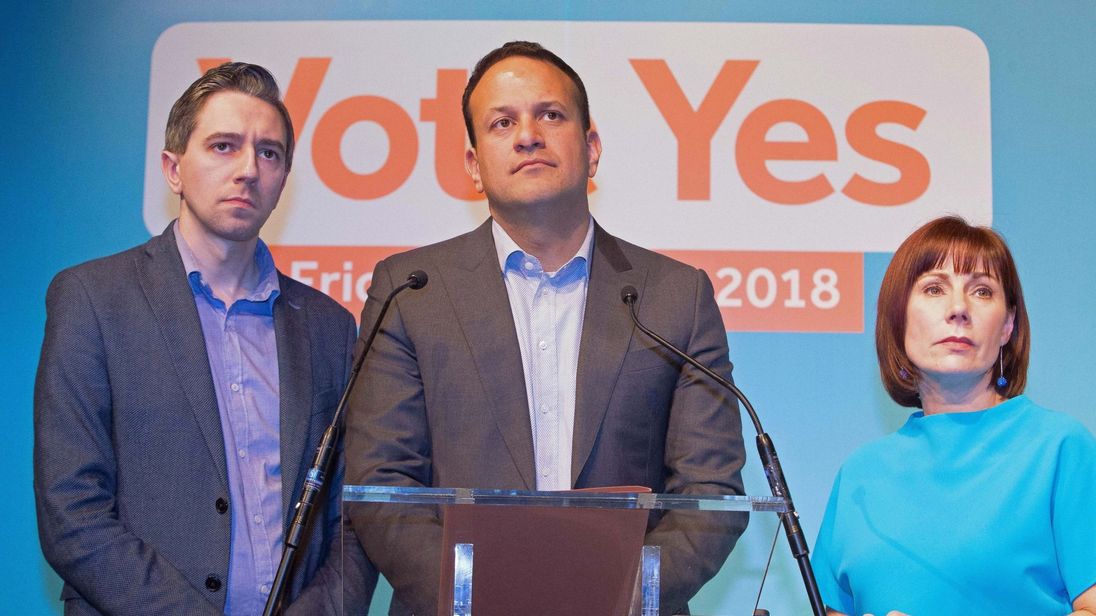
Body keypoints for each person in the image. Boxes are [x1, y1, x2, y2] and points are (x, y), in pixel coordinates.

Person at [345, 41, 747, 616]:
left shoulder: (675, 296)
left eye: (550, 115)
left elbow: (710, 494)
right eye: (502, 122)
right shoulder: (411, 291)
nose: (527, 134)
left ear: (592, 148)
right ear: (473, 165)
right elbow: (384, 484)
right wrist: (480, 593)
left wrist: (622, 592)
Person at [34, 62, 375, 615]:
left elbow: (351, 518)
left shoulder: (329, 327)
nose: (247, 169)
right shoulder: (92, 299)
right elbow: (72, 510)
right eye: (223, 146)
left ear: (284, 177)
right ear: (173, 168)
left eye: (269, 153)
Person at [811, 216, 1096, 616]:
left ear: (1008, 326)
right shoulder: (860, 473)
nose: (959, 309)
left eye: (981, 291)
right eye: (933, 288)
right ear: (898, 319)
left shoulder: (1060, 449)